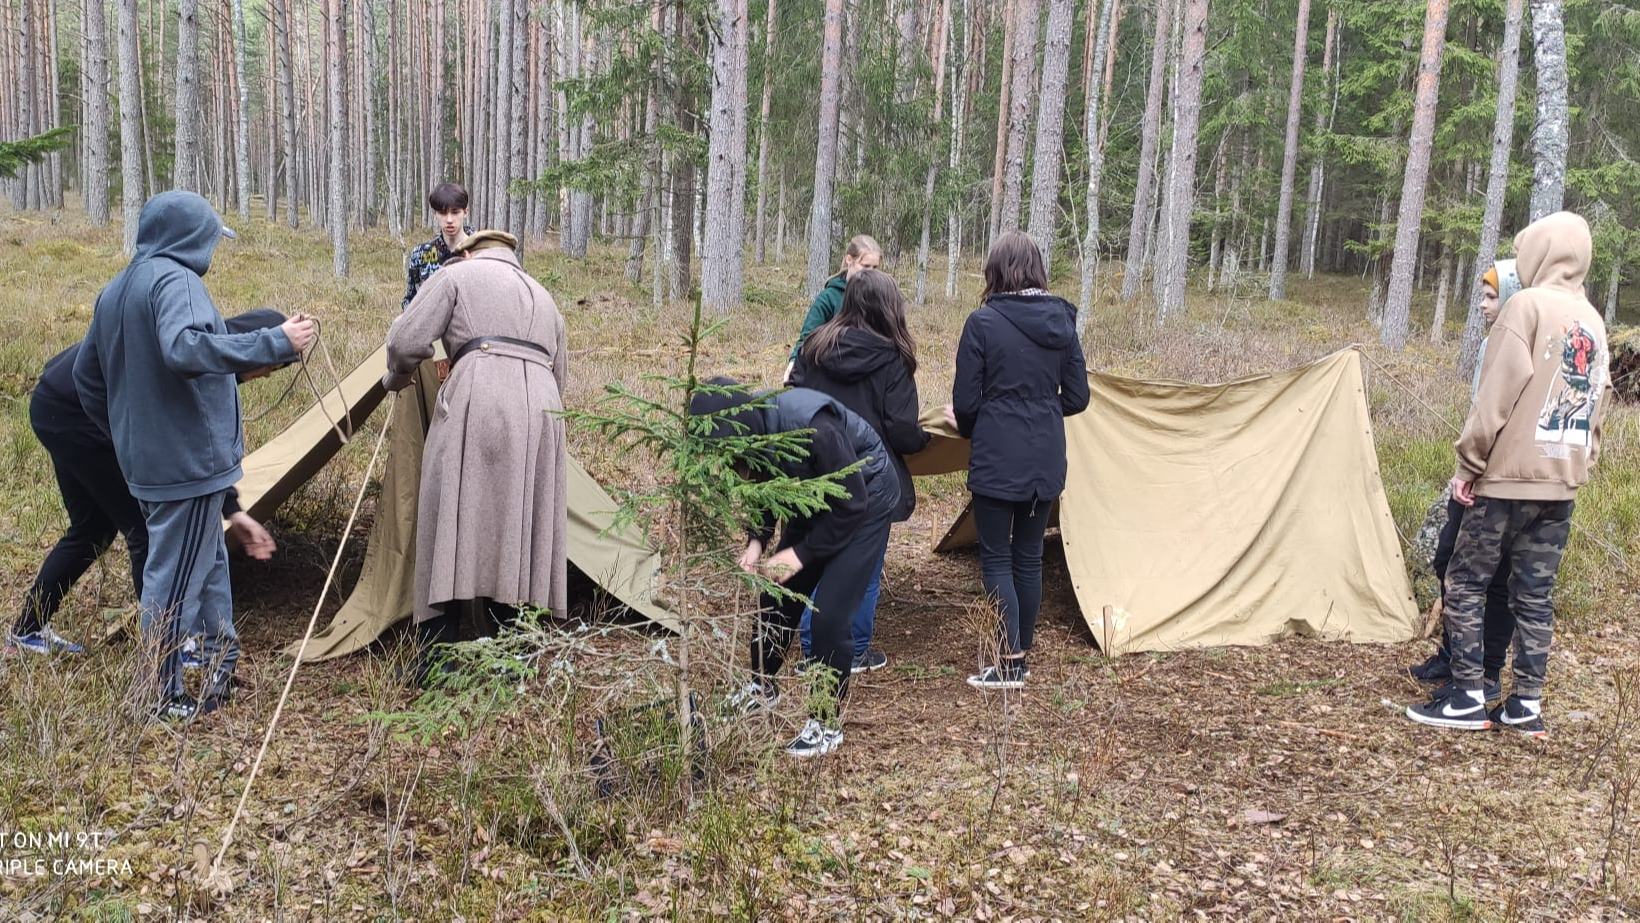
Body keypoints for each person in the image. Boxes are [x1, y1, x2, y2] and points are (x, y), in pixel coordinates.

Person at [74, 191, 313, 720]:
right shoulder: (177, 280)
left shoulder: (117, 289)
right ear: (190, 237)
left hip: (163, 464)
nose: (212, 249)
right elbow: (184, 346)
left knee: (205, 567)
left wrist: (125, 433)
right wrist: (275, 341)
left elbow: (86, 378)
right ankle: (158, 697)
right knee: (174, 579)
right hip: (185, 465)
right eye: (210, 238)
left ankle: (217, 665)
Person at [1406, 211, 1613, 739]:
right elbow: (1598, 401)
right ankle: (1526, 704)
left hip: (1504, 482)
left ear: (1540, 253)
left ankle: (1467, 696)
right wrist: (1581, 463)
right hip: (1560, 483)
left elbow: (1494, 397)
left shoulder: (1525, 307)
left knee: (1467, 581)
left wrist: (1468, 465)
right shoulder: (1592, 318)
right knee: (1534, 595)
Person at [12, 310, 294, 657]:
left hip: (57, 401)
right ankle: (166, 648)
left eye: (276, 368)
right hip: (75, 411)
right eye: (269, 361)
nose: (266, 372)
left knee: (92, 529)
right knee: (144, 528)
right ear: (246, 345)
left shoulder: (209, 358)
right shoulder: (195, 363)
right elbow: (191, 448)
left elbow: (204, 453)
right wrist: (232, 510)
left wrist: (234, 511)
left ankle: (26, 631)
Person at [383, 229, 569, 673]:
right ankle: (511, 655)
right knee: (517, 523)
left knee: (446, 510)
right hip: (544, 410)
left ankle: (438, 654)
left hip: (479, 394)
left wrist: (397, 376)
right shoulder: (546, 298)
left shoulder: (456, 275)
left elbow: (405, 339)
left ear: (468, 251)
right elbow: (561, 374)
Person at [690, 377, 900, 758]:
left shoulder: (814, 429)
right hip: (814, 496)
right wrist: (758, 541)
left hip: (865, 497)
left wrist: (801, 554)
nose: (730, 466)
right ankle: (761, 687)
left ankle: (825, 724)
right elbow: (768, 487)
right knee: (776, 594)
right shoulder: (755, 433)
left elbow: (852, 503)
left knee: (829, 615)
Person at [949, 230, 1090, 690]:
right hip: (1045, 455)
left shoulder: (983, 323)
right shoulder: (1063, 321)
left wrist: (978, 422)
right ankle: (1019, 657)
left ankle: (1009, 663)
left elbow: (966, 401)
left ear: (996, 271)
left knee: (996, 560)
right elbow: (1078, 397)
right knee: (1027, 558)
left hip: (997, 456)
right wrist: (1041, 408)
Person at [789, 269, 929, 672]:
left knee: (813, 560)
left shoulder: (814, 348)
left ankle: (813, 651)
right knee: (863, 571)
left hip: (814, 473)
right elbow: (902, 430)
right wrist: (926, 442)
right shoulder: (892, 360)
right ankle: (855, 651)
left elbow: (797, 398)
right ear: (890, 308)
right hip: (870, 481)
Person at [1407, 261, 1523, 700]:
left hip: (1501, 479)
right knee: (1446, 558)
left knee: (1495, 577)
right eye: (1483, 295)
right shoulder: (1490, 344)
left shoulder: (1520, 343)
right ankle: (1454, 653)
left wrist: (1477, 468)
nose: (1482, 304)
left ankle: (1487, 671)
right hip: (1476, 471)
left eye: (1492, 296)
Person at [784, 234, 883, 381]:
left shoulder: (880, 298)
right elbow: (807, 338)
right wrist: (793, 363)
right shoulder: (829, 298)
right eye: (865, 266)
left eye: (874, 267)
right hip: (833, 373)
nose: (870, 272)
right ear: (849, 260)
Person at [403, 183, 476, 310]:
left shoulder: (482, 250)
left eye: (455, 212)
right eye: (442, 213)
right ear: (435, 214)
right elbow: (410, 300)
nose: (449, 219)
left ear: (465, 213)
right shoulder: (420, 254)